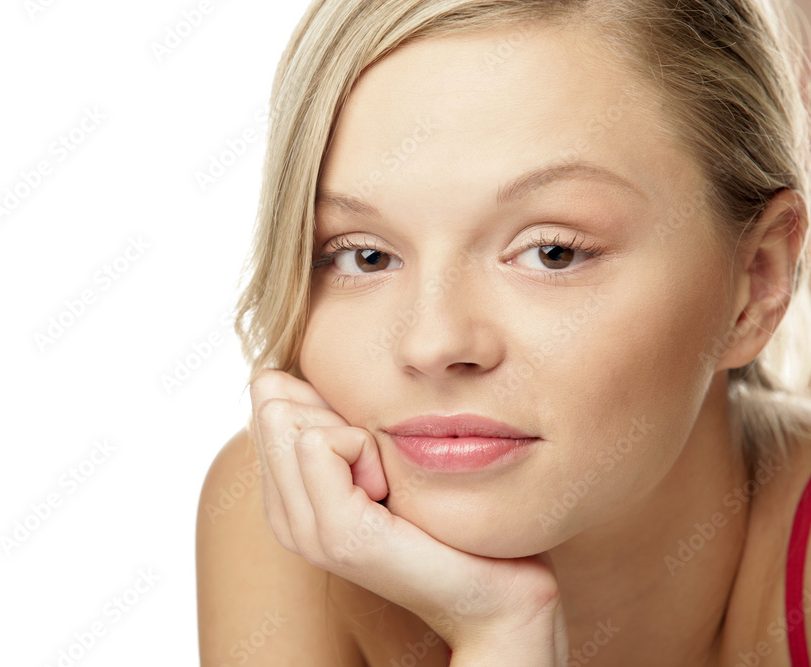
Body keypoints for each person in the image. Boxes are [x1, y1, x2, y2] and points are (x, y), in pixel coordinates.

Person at [197, 1, 811, 664]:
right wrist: (503, 632)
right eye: (364, 255)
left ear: (755, 281)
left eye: (552, 252)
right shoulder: (286, 525)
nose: (432, 344)